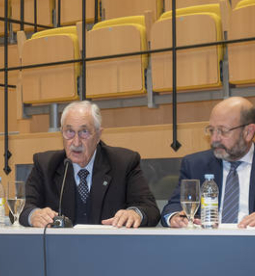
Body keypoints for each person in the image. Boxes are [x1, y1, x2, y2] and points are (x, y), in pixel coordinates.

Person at [21, 100, 160, 228]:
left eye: (84, 132)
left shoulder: (123, 163)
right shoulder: (45, 165)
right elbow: (21, 209)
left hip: (110, 245)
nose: (76, 142)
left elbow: (150, 209)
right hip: (60, 246)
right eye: (69, 132)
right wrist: (33, 215)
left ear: (98, 135)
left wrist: (135, 213)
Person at [162, 96, 255, 228]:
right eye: (211, 130)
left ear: (248, 132)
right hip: (207, 238)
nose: (214, 139)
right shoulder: (195, 164)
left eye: (223, 131)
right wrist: (175, 217)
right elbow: (173, 207)